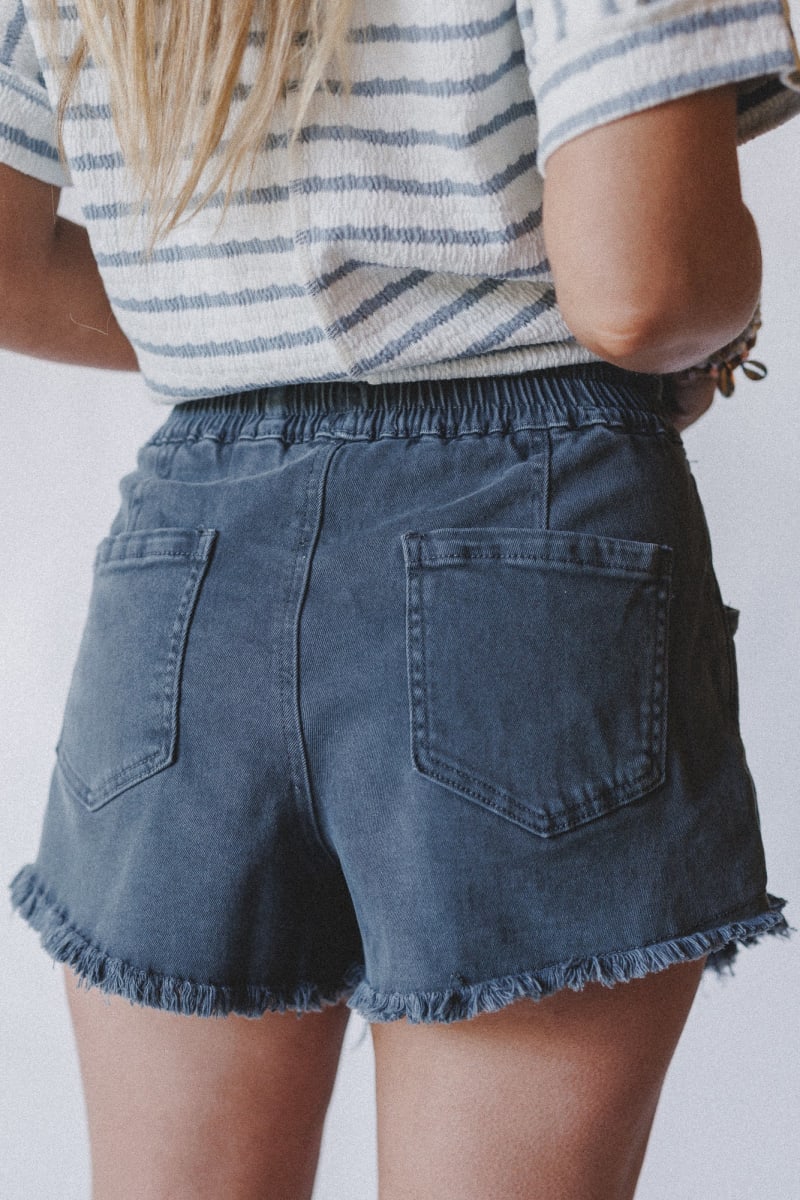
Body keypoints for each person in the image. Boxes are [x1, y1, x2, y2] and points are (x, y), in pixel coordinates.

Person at [3, 2, 798, 1197]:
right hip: (521, 541)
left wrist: (251, 338)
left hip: (187, 566)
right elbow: (646, 288)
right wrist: (719, 332)